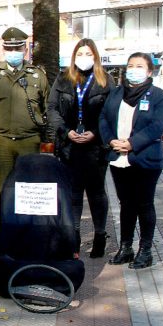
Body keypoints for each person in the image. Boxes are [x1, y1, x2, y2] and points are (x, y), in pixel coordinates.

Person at [100, 52, 163, 269]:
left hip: (145, 159)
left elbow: (157, 125)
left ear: (149, 71)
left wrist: (131, 143)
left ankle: (145, 251)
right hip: (118, 157)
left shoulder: (159, 96)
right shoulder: (116, 93)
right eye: (130, 65)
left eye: (139, 66)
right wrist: (111, 141)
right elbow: (103, 119)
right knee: (126, 204)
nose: (133, 69)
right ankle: (126, 248)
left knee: (144, 204)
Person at [47, 38, 113, 258]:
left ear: (95, 56)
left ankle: (100, 236)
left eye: (88, 54)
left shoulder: (106, 80)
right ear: (74, 56)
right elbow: (52, 109)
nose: (84, 58)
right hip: (69, 147)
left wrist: (95, 131)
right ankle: (73, 237)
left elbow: (111, 113)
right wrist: (66, 131)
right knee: (73, 194)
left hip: (96, 148)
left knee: (96, 194)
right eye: (80, 54)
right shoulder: (63, 78)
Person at [0, 27, 50, 213]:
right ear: (4, 50)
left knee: (29, 192)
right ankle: (0, 239)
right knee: (2, 192)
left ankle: (27, 239)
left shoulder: (38, 76)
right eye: (9, 49)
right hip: (2, 141)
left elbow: (47, 108)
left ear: (25, 50)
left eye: (18, 48)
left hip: (29, 141)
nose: (14, 53)